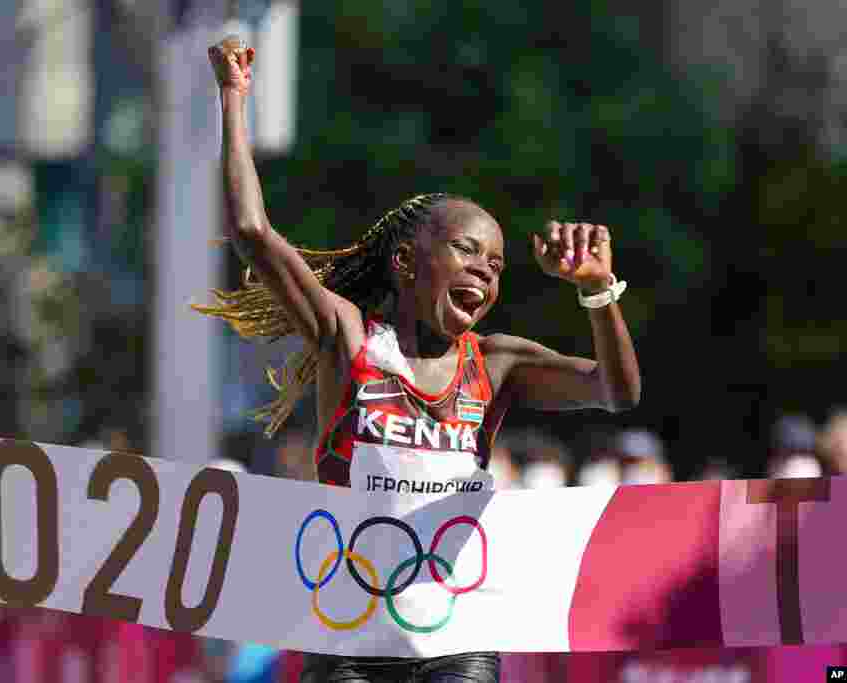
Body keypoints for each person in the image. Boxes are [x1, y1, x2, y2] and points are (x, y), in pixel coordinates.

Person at [198, 35, 641, 683]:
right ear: (406, 263)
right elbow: (251, 231)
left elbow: (615, 390)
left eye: (495, 265)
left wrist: (598, 292)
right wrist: (233, 99)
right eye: (465, 252)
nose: (484, 274)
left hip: (455, 635)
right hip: (346, 635)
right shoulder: (346, 337)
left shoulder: (497, 363)